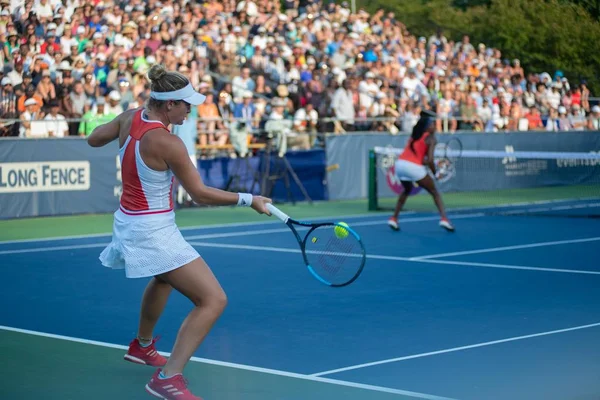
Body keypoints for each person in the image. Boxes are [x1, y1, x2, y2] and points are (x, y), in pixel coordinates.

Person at [86, 64, 272, 400]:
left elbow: (94, 138)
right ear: (169, 105)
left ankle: (142, 346)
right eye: (186, 103)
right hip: (151, 229)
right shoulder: (168, 142)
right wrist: (249, 199)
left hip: (129, 220)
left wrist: (121, 126)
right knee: (213, 300)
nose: (191, 108)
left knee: (163, 278)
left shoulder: (131, 117)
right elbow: (200, 194)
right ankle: (168, 378)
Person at [387, 112, 454, 232]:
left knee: (406, 190)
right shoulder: (431, 138)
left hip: (400, 166)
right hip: (412, 167)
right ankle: (444, 218)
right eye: (432, 124)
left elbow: (422, 159)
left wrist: (431, 166)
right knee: (435, 192)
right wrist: (436, 174)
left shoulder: (414, 136)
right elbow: (430, 160)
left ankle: (394, 218)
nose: (434, 126)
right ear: (427, 127)